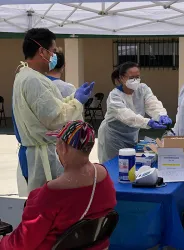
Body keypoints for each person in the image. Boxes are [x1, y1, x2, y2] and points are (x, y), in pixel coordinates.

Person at [0, 121, 116, 250]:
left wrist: (3, 242)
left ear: (63, 148)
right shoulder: (104, 176)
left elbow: (23, 243)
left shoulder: (50, 193)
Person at [12, 28, 94, 192]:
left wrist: (71, 99)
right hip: (42, 158)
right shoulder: (33, 80)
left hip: (36, 152)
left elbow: (49, 107)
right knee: (48, 207)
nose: (54, 56)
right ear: (42, 51)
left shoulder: (27, 75)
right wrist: (77, 102)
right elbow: (56, 119)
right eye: (53, 51)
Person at [98, 62, 171, 163]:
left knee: (130, 163)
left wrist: (161, 114)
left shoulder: (142, 89)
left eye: (137, 77)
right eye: (131, 77)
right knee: (114, 164)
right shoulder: (114, 96)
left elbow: (152, 102)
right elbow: (126, 116)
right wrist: (148, 122)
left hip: (131, 134)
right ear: (121, 78)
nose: (135, 80)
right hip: (113, 137)